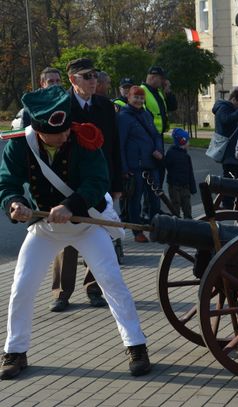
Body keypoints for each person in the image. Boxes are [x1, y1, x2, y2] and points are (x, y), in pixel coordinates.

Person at [0, 86, 151, 380]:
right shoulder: (20, 145)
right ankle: (15, 352)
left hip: (85, 224)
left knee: (112, 282)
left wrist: (71, 204)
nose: (65, 136)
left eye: (66, 130)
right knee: (22, 287)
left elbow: (98, 180)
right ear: (39, 130)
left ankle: (136, 345)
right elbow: (7, 184)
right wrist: (15, 205)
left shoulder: (84, 137)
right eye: (58, 134)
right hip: (44, 229)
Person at [48, 57, 122, 312]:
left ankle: (93, 288)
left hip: (100, 182)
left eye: (95, 76)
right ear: (73, 80)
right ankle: (62, 292)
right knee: (67, 239)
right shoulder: (62, 106)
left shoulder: (104, 105)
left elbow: (114, 146)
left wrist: (118, 183)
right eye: (87, 77)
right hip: (68, 183)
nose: (94, 81)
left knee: (98, 233)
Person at [118, 86, 164, 242]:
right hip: (134, 166)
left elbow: (156, 135)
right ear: (129, 98)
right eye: (135, 97)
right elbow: (120, 145)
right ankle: (137, 232)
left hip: (151, 164)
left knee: (154, 200)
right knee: (134, 200)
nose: (138, 100)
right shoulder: (123, 117)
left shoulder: (146, 114)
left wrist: (158, 149)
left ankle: (156, 229)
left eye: (141, 98)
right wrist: (123, 168)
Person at [212, 88, 238, 208]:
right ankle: (227, 204)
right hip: (228, 151)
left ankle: (233, 203)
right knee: (229, 178)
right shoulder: (223, 107)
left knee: (237, 178)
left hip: (234, 150)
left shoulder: (232, 109)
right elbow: (226, 120)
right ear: (233, 99)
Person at [165, 128, 197, 219]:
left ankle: (189, 222)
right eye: (187, 141)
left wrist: (193, 188)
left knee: (187, 206)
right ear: (182, 141)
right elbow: (166, 165)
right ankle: (176, 224)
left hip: (185, 186)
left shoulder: (186, 156)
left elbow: (190, 173)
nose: (189, 143)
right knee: (175, 206)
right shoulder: (171, 153)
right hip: (174, 186)